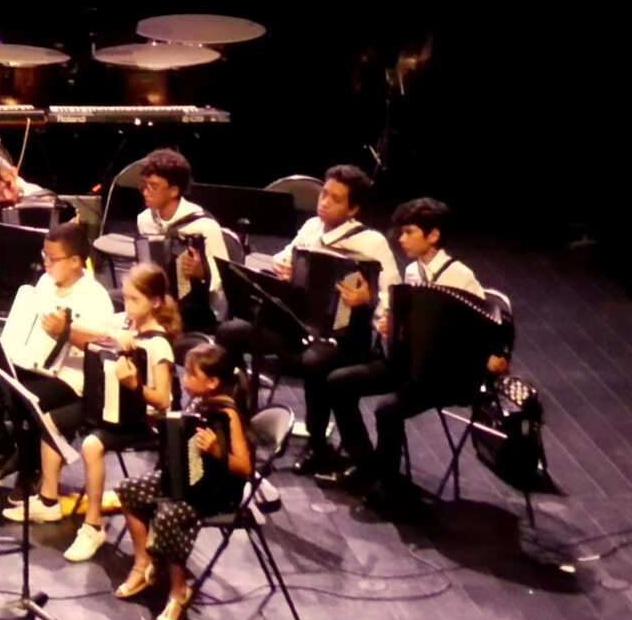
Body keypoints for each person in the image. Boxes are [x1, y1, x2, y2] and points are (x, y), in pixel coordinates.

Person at [213, 165, 399, 476]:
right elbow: (283, 257)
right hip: (299, 326)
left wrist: (368, 301)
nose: (324, 202)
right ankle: (236, 419)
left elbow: (392, 298)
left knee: (314, 364)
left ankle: (317, 445)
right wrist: (282, 266)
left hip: (344, 336)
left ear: (353, 208)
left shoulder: (371, 243)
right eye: (324, 194)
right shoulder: (312, 228)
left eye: (335, 199)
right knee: (230, 331)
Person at [324, 197, 509, 500]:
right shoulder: (412, 272)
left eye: (409, 232)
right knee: (338, 382)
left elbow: (491, 324)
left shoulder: (460, 276)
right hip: (409, 365)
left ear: (433, 235)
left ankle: (388, 482)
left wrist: (494, 356)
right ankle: (366, 462)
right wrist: (386, 323)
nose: (401, 238)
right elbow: (400, 321)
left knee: (387, 409)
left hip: (446, 376)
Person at [96, 341, 253, 620]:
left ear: (212, 382)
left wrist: (216, 450)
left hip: (216, 493)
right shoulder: (199, 403)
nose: (185, 379)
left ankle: (179, 591)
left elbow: (244, 467)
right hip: (189, 479)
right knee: (129, 490)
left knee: (168, 515)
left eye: (192, 374)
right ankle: (143, 563)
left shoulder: (227, 413)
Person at [35, 266, 182, 561]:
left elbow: (163, 401)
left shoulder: (158, 344)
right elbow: (89, 330)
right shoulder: (126, 322)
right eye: (125, 298)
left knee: (91, 445)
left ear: (155, 302)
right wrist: (107, 332)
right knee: (50, 420)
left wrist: (135, 385)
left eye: (135, 300)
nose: (128, 306)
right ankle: (48, 499)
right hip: (110, 403)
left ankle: (93, 526)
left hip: (143, 418)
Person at [0, 219, 114, 486]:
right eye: (45, 255)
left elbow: (102, 350)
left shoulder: (96, 297)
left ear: (75, 261)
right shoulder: (45, 282)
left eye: (53, 258)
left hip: (68, 379)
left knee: (22, 397)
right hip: (30, 363)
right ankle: (4, 450)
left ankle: (31, 465)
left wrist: (67, 331)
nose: (46, 263)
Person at [128, 148, 235, 335]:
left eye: (153, 186)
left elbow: (223, 282)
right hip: (156, 301)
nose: (145, 192)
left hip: (193, 309)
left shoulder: (203, 225)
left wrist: (202, 273)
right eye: (144, 185)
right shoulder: (144, 219)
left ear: (174, 191)